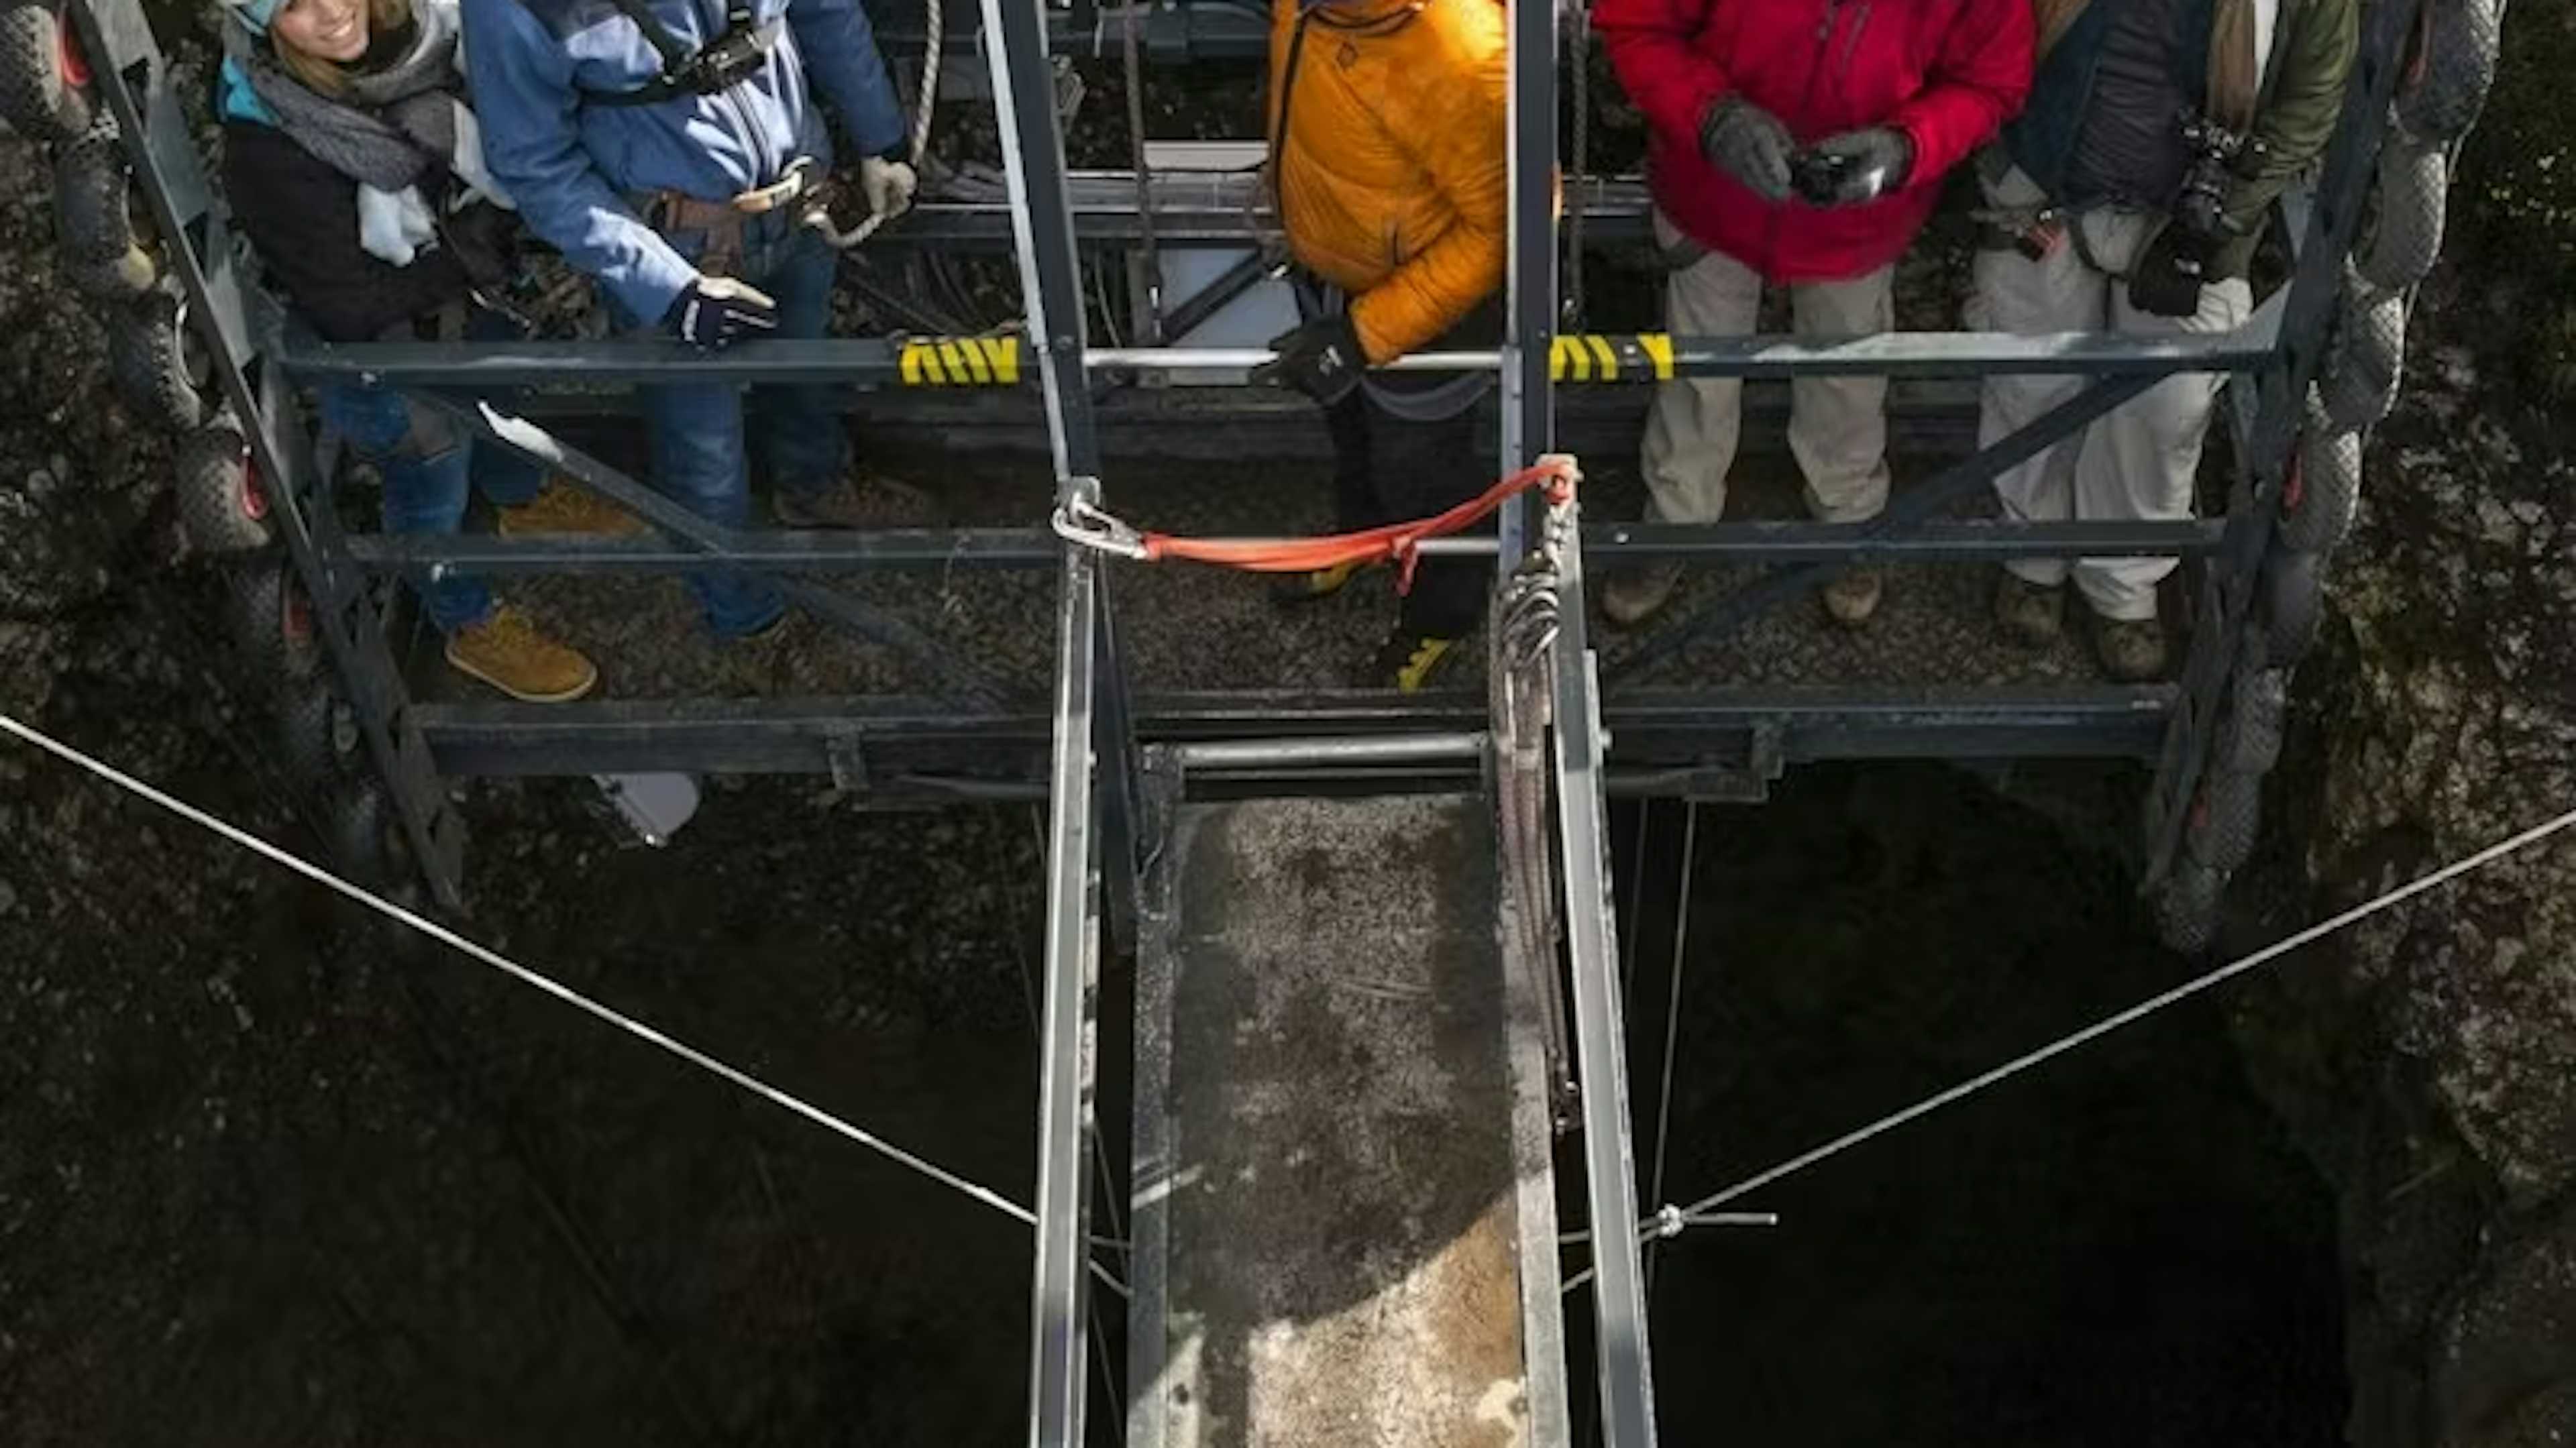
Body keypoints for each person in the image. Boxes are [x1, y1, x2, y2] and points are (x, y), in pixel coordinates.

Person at [463, 0, 928, 641]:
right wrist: (668, 290)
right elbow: (534, 163)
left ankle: (814, 482)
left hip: (798, 208)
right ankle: (744, 617)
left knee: (806, 367)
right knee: (701, 445)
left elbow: (825, 10)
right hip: (675, 250)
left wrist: (880, 139)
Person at [221, 0, 616, 702]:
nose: (332, 12)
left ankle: (520, 496)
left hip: (459, 293)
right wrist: (470, 256)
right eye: (294, 6)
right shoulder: (270, 142)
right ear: (263, 26)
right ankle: (467, 622)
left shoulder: (419, 38)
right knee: (430, 481)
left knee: (496, 400)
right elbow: (345, 305)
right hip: (380, 352)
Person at [1595, 0, 2033, 628]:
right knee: (1701, 367)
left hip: (1844, 215)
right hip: (1717, 197)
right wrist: (1711, 116)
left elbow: (1991, 82)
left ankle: (1845, 523)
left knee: (1844, 380)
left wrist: (1905, 147)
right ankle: (1679, 523)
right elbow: (1639, 24)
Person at [1974, 0, 2356, 679]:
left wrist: (2220, 218)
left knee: (2164, 411)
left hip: (2194, 220)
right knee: (2029, 378)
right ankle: (2031, 554)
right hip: (2046, 186)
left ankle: (2121, 581)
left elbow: (2312, 96)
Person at [1254, 0, 1508, 692]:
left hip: (1426, 314)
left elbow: (1506, 227)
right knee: (1355, 438)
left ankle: (1441, 617)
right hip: (1334, 271)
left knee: (1425, 472)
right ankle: (1363, 541)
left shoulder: (1455, 50)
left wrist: (1365, 336)